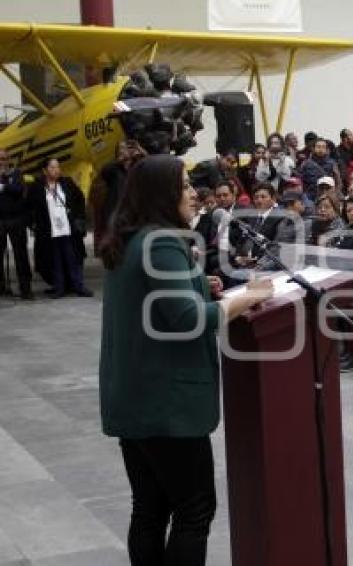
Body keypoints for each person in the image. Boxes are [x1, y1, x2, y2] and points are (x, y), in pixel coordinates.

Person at [98, 154, 274, 565]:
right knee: (194, 511)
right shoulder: (162, 242)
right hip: (166, 405)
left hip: (134, 396)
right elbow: (191, 319)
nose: (196, 194)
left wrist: (198, 281)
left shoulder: (132, 237)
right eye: (185, 185)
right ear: (161, 194)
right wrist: (250, 296)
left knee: (150, 508)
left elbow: (156, 301)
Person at [27, 158, 92, 298]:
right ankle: (59, 287)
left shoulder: (66, 182)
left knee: (73, 257)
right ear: (44, 170)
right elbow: (30, 207)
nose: (56, 170)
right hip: (49, 230)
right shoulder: (37, 187)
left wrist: (78, 217)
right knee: (54, 259)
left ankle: (78, 286)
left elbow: (80, 198)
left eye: (57, 167)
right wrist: (33, 223)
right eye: (52, 167)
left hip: (68, 229)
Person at [0, 149, 32, 298]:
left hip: (16, 219)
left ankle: (25, 288)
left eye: (5, 159)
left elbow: (19, 190)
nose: (2, 162)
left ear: (9, 160)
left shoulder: (16, 173)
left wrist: (5, 185)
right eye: (0, 159)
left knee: (21, 255)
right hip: (0, 220)